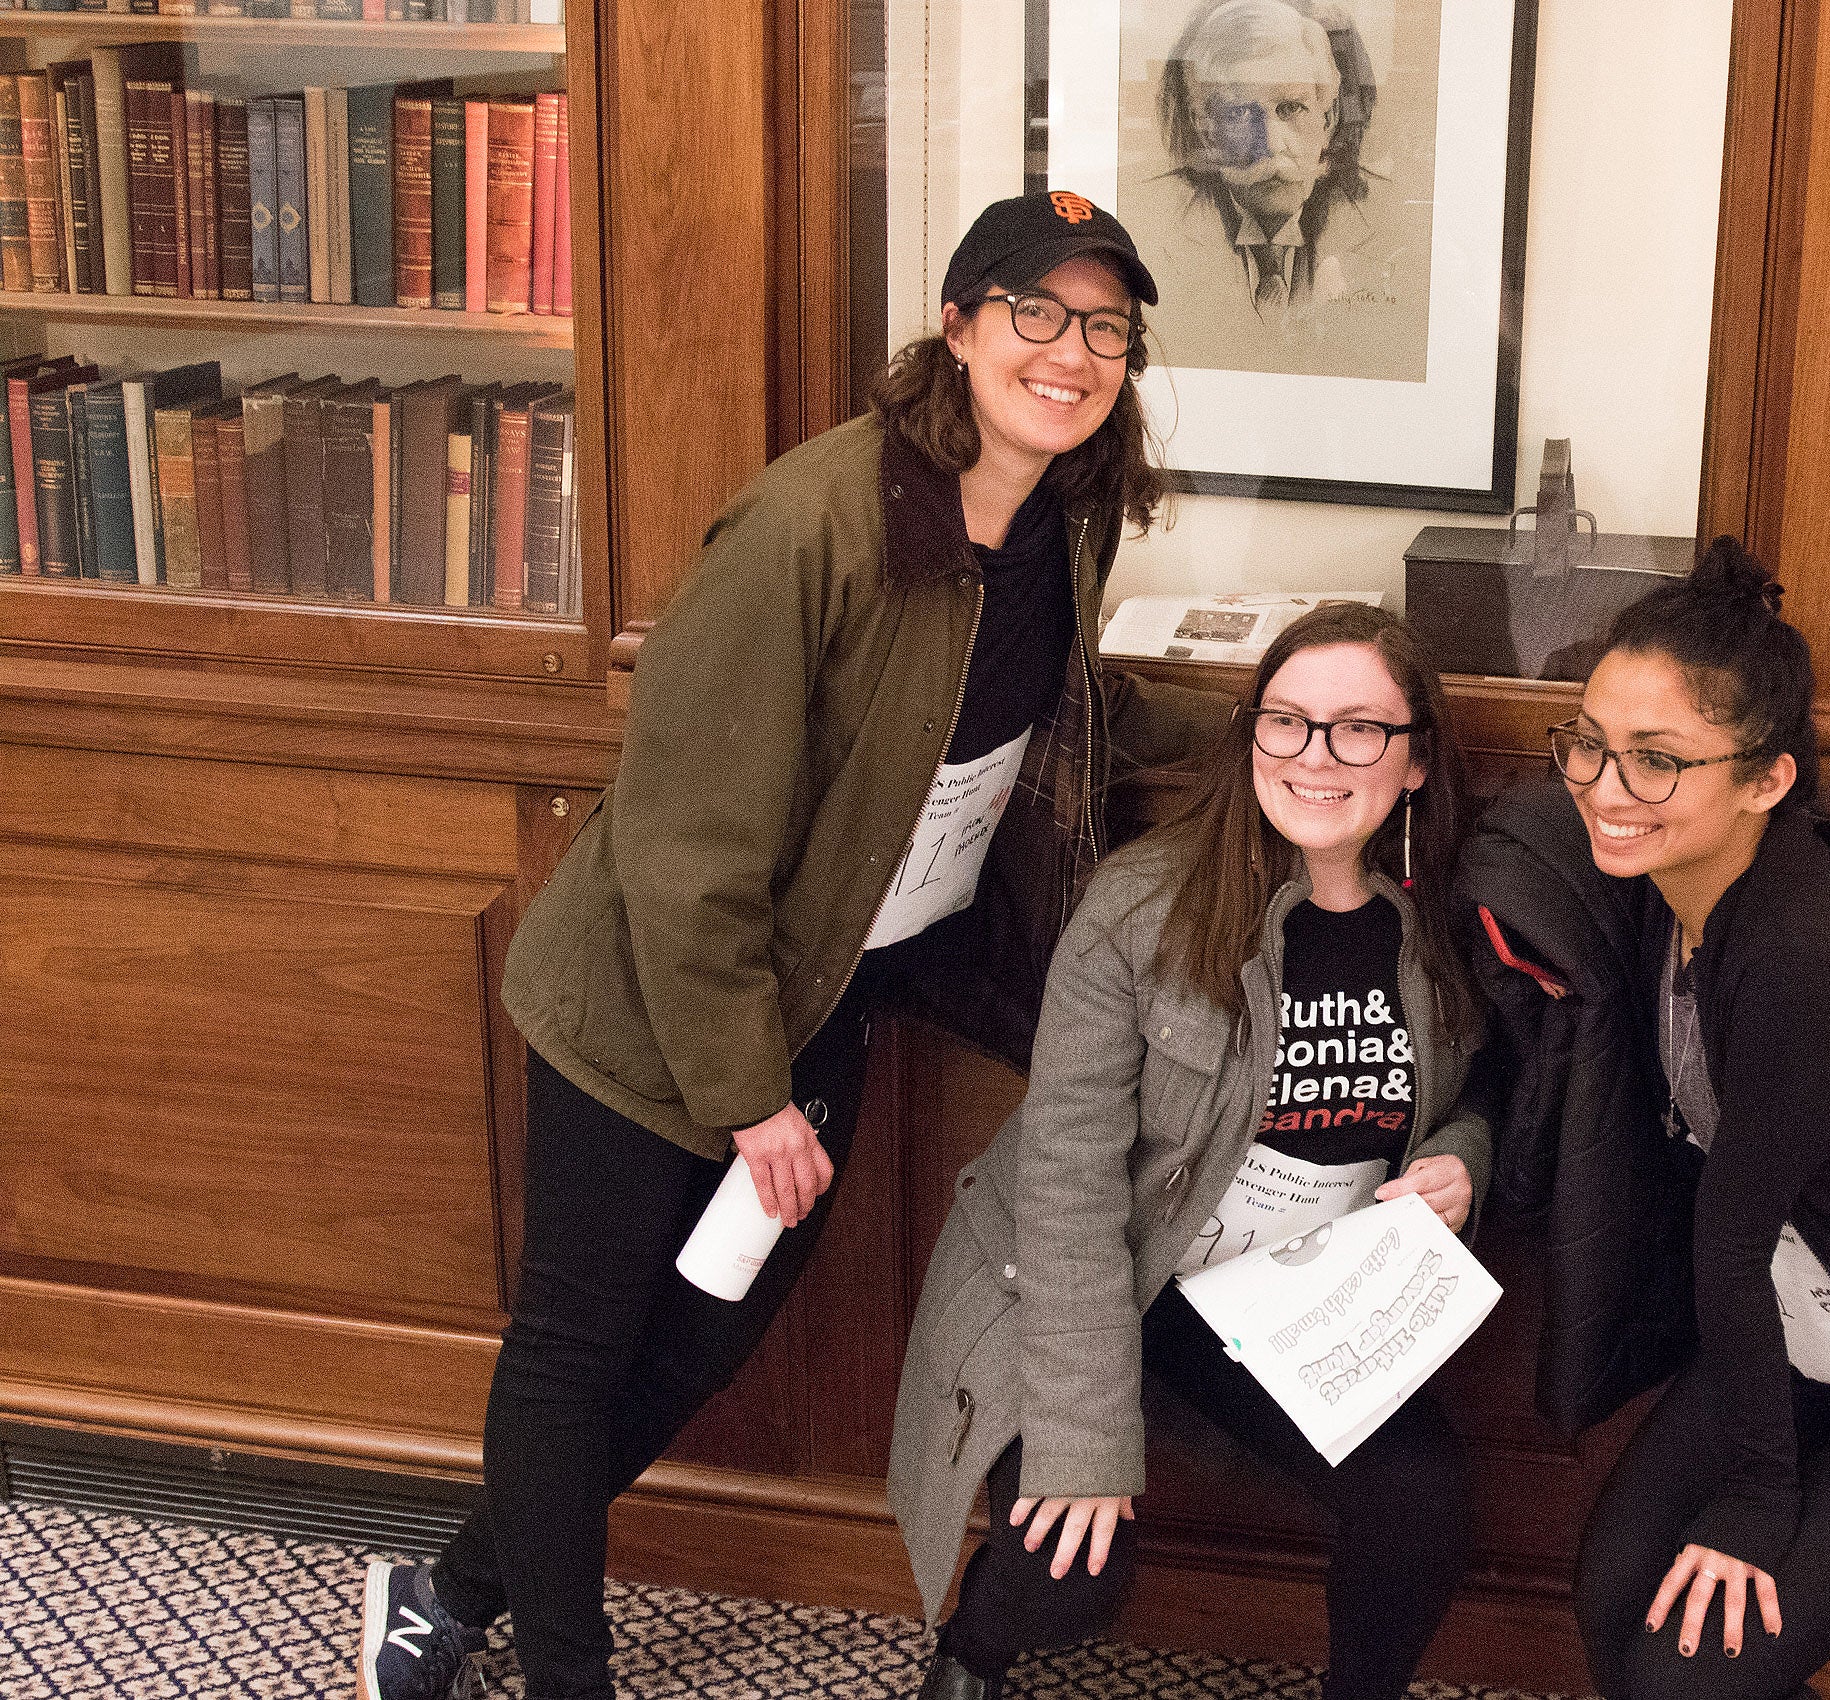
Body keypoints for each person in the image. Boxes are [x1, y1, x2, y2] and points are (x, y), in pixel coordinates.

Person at [355, 191, 1223, 1700]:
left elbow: (1043, 717)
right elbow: (681, 856)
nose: (1070, 353)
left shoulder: (1056, 521)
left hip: (823, 1003)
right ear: (954, 331)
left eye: (1103, 328)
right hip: (646, 1015)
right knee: (575, 1346)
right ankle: (564, 1669)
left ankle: (449, 1585)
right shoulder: (809, 525)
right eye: (1035, 313)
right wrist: (750, 1098)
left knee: (695, 1351)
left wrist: (1282, 731)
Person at [1457, 540, 1830, 1700]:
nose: (1603, 788)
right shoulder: (1671, 883)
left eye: (1656, 761)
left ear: (1768, 780)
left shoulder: (1795, 958)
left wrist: (1754, 1503)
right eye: (1589, 743)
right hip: (1786, 1333)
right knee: (1615, 1593)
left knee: (1689, 1673)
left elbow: (1729, 1240)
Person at [889, 603, 1490, 1700]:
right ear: (1249, 735)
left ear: (1413, 764)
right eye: (1288, 722)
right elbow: (1065, 1182)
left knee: (1421, 1495)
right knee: (1063, 1566)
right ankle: (971, 1655)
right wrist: (1084, 1437)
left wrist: (1461, 1157)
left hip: (1282, 1300)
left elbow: (1475, 1095)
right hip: (1109, 1269)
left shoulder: (1443, 924)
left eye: (1359, 729)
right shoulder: (1142, 905)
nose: (1315, 755)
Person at [1121, 0, 1426, 380]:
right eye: (1239, 113)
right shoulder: (1142, 219)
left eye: (1291, 108)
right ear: (1206, 128)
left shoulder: (1403, 223)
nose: (1270, 145)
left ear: (1328, 121)